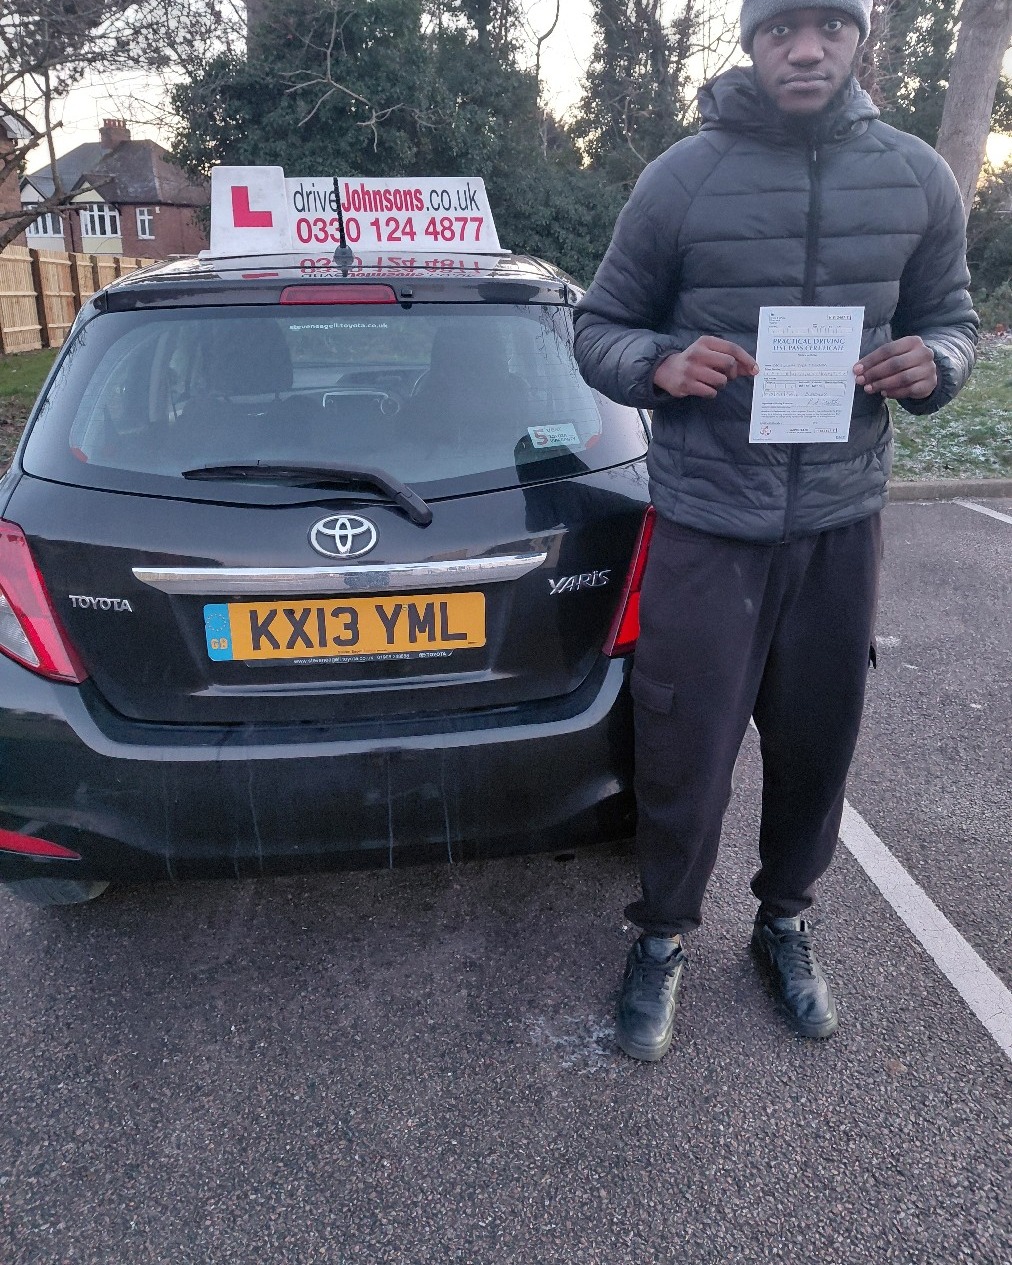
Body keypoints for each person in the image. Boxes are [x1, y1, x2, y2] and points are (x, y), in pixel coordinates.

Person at [573, 1, 977, 1061]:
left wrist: (936, 362)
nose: (805, 48)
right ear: (750, 43)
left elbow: (952, 318)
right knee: (684, 747)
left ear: (858, 41)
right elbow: (598, 326)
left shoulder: (918, 178)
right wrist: (660, 363)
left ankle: (784, 921)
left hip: (839, 524)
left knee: (817, 741)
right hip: (709, 522)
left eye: (829, 27)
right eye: (780, 29)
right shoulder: (681, 177)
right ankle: (661, 934)